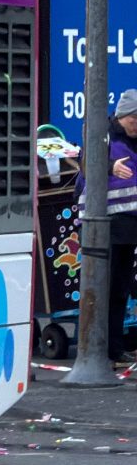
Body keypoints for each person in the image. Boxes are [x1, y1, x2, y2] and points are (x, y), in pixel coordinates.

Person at [110, 90, 137, 360]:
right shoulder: (104, 136)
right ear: (122, 116)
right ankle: (102, 348)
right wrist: (110, 167)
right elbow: (85, 166)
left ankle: (115, 348)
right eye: (134, 120)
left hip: (129, 227)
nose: (136, 125)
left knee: (120, 291)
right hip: (107, 228)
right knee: (106, 290)